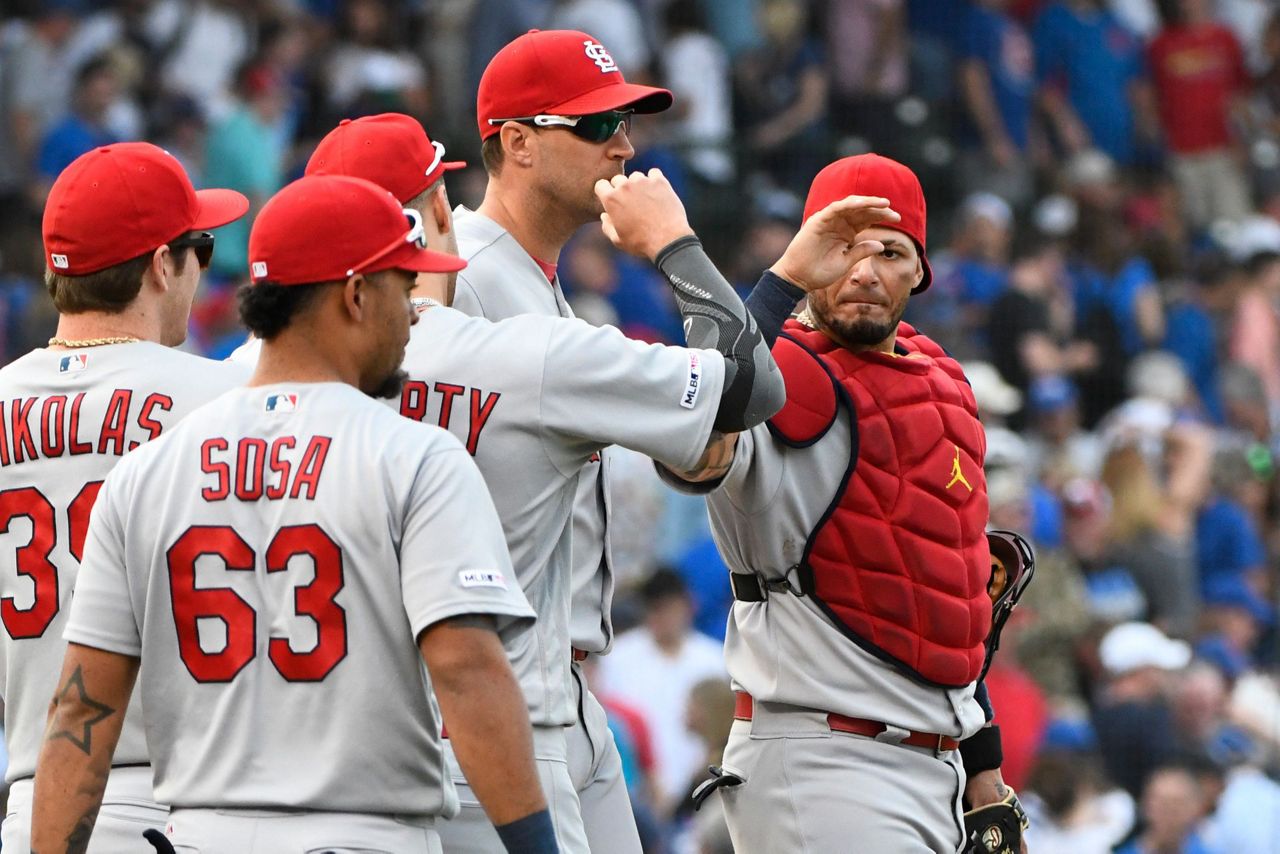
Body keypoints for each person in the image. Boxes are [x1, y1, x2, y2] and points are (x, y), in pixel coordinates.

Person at [32, 175, 554, 854]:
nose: (416, 313)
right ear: (357, 295)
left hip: (194, 836)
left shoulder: (149, 468)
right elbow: (465, 667)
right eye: (406, 288)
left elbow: (82, 707)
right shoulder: (411, 453)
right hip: (359, 834)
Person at [662, 153, 1023, 852]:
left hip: (935, 764)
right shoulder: (775, 378)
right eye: (842, 247)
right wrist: (767, 284)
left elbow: (945, 602)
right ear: (806, 256)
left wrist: (983, 770)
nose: (863, 271)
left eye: (889, 251)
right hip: (819, 753)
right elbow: (692, 435)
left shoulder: (944, 384)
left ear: (920, 270)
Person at [453, 28, 672, 854]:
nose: (622, 145)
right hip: (498, 690)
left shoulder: (545, 285)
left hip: (573, 686)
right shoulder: (462, 277)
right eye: (593, 126)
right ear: (516, 144)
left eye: (623, 122)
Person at [0, 142, 249, 852]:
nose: (202, 268)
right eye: (199, 246)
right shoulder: (225, 401)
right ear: (160, 264)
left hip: (35, 804)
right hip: (189, 807)